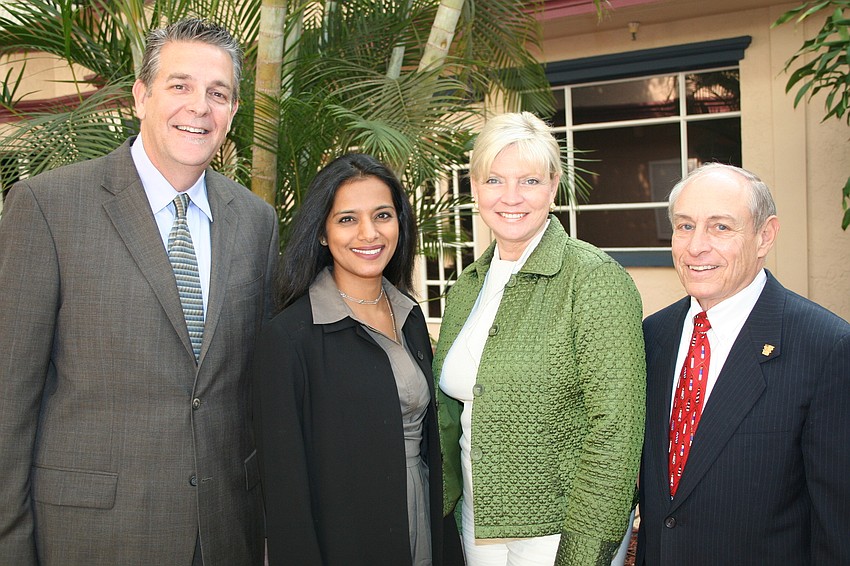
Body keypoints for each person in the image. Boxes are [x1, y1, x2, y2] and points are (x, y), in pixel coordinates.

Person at [0, 18, 278, 566]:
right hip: (92, 538)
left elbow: (253, 390)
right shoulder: (47, 208)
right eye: (180, 85)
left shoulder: (256, 221)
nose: (199, 107)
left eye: (217, 93)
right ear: (140, 95)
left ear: (233, 113)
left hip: (226, 535)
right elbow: (9, 403)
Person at [433, 111, 646, 566]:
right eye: (494, 180)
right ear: (474, 188)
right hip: (475, 521)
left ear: (553, 187)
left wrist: (584, 551)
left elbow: (617, 432)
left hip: (559, 531)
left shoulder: (594, 279)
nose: (511, 197)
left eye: (529, 181)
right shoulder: (466, 286)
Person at [636, 163, 850, 565]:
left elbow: (838, 527)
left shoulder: (826, 348)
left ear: (764, 236)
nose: (696, 245)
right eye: (684, 226)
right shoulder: (652, 336)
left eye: (720, 227)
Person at [251, 153, 459, 566]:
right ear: (323, 233)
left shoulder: (410, 315)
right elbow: (285, 490)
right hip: (346, 541)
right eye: (347, 219)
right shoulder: (289, 338)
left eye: (382, 215)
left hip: (424, 522)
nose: (369, 233)